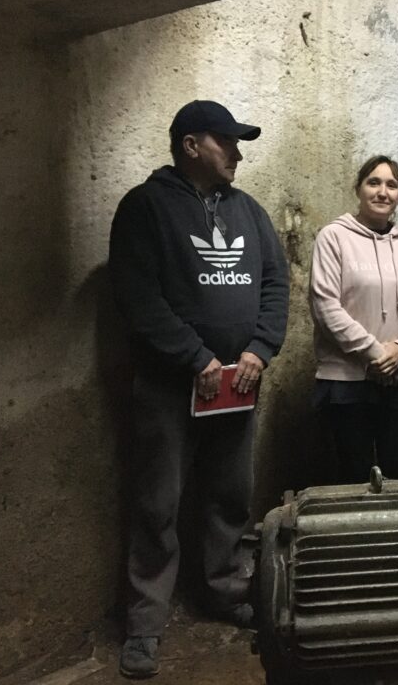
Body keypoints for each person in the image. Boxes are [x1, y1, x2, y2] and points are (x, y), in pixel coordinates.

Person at [109, 100, 289, 678]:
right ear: (191, 145)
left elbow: (275, 284)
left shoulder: (249, 211)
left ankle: (223, 590)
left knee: (230, 494)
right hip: (169, 387)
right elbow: (138, 297)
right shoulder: (145, 207)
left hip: (237, 384)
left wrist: (259, 350)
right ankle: (145, 623)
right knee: (157, 502)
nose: (237, 153)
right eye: (226, 142)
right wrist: (195, 357)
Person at [308, 155, 398, 483]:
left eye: (392, 185)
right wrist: (376, 355)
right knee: (352, 478)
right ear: (358, 188)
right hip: (346, 382)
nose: (383, 192)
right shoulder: (333, 237)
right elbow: (325, 306)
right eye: (374, 182)